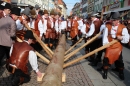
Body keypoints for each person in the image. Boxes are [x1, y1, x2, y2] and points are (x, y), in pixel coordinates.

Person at [102, 12, 129, 80]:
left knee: (119, 60)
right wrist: (106, 44)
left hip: (117, 46)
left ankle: (121, 73)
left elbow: (127, 38)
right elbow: (105, 36)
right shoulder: (108, 25)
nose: (112, 21)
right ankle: (105, 72)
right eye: (112, 20)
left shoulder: (123, 27)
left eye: (114, 20)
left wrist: (121, 38)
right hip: (109, 44)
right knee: (106, 59)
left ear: (118, 20)